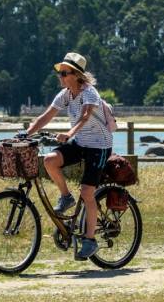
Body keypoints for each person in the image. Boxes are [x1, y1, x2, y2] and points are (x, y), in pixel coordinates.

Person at [25, 52, 113, 260]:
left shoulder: (90, 93)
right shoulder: (65, 95)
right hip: (81, 143)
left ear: (77, 75)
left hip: (99, 146)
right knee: (49, 161)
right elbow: (45, 117)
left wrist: (69, 133)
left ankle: (90, 241)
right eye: (60, 73)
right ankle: (66, 197)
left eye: (65, 73)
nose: (61, 76)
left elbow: (85, 116)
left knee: (87, 192)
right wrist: (25, 134)